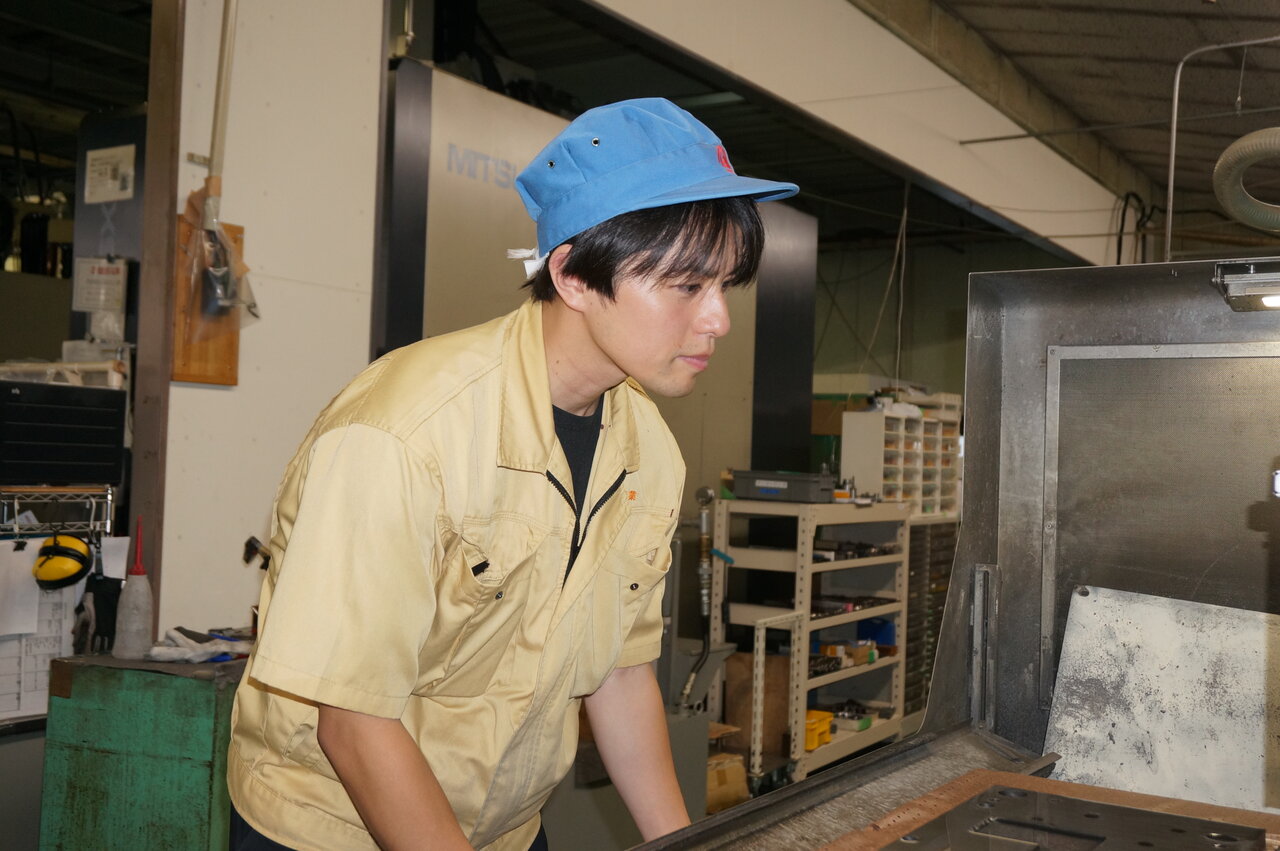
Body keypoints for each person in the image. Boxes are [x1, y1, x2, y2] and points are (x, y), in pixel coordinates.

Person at [226, 97, 797, 850]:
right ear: (574, 276)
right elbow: (353, 719)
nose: (718, 319)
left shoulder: (646, 452)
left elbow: (621, 675)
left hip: (501, 827)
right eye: (688, 286)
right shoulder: (403, 434)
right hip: (333, 825)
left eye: (725, 287)